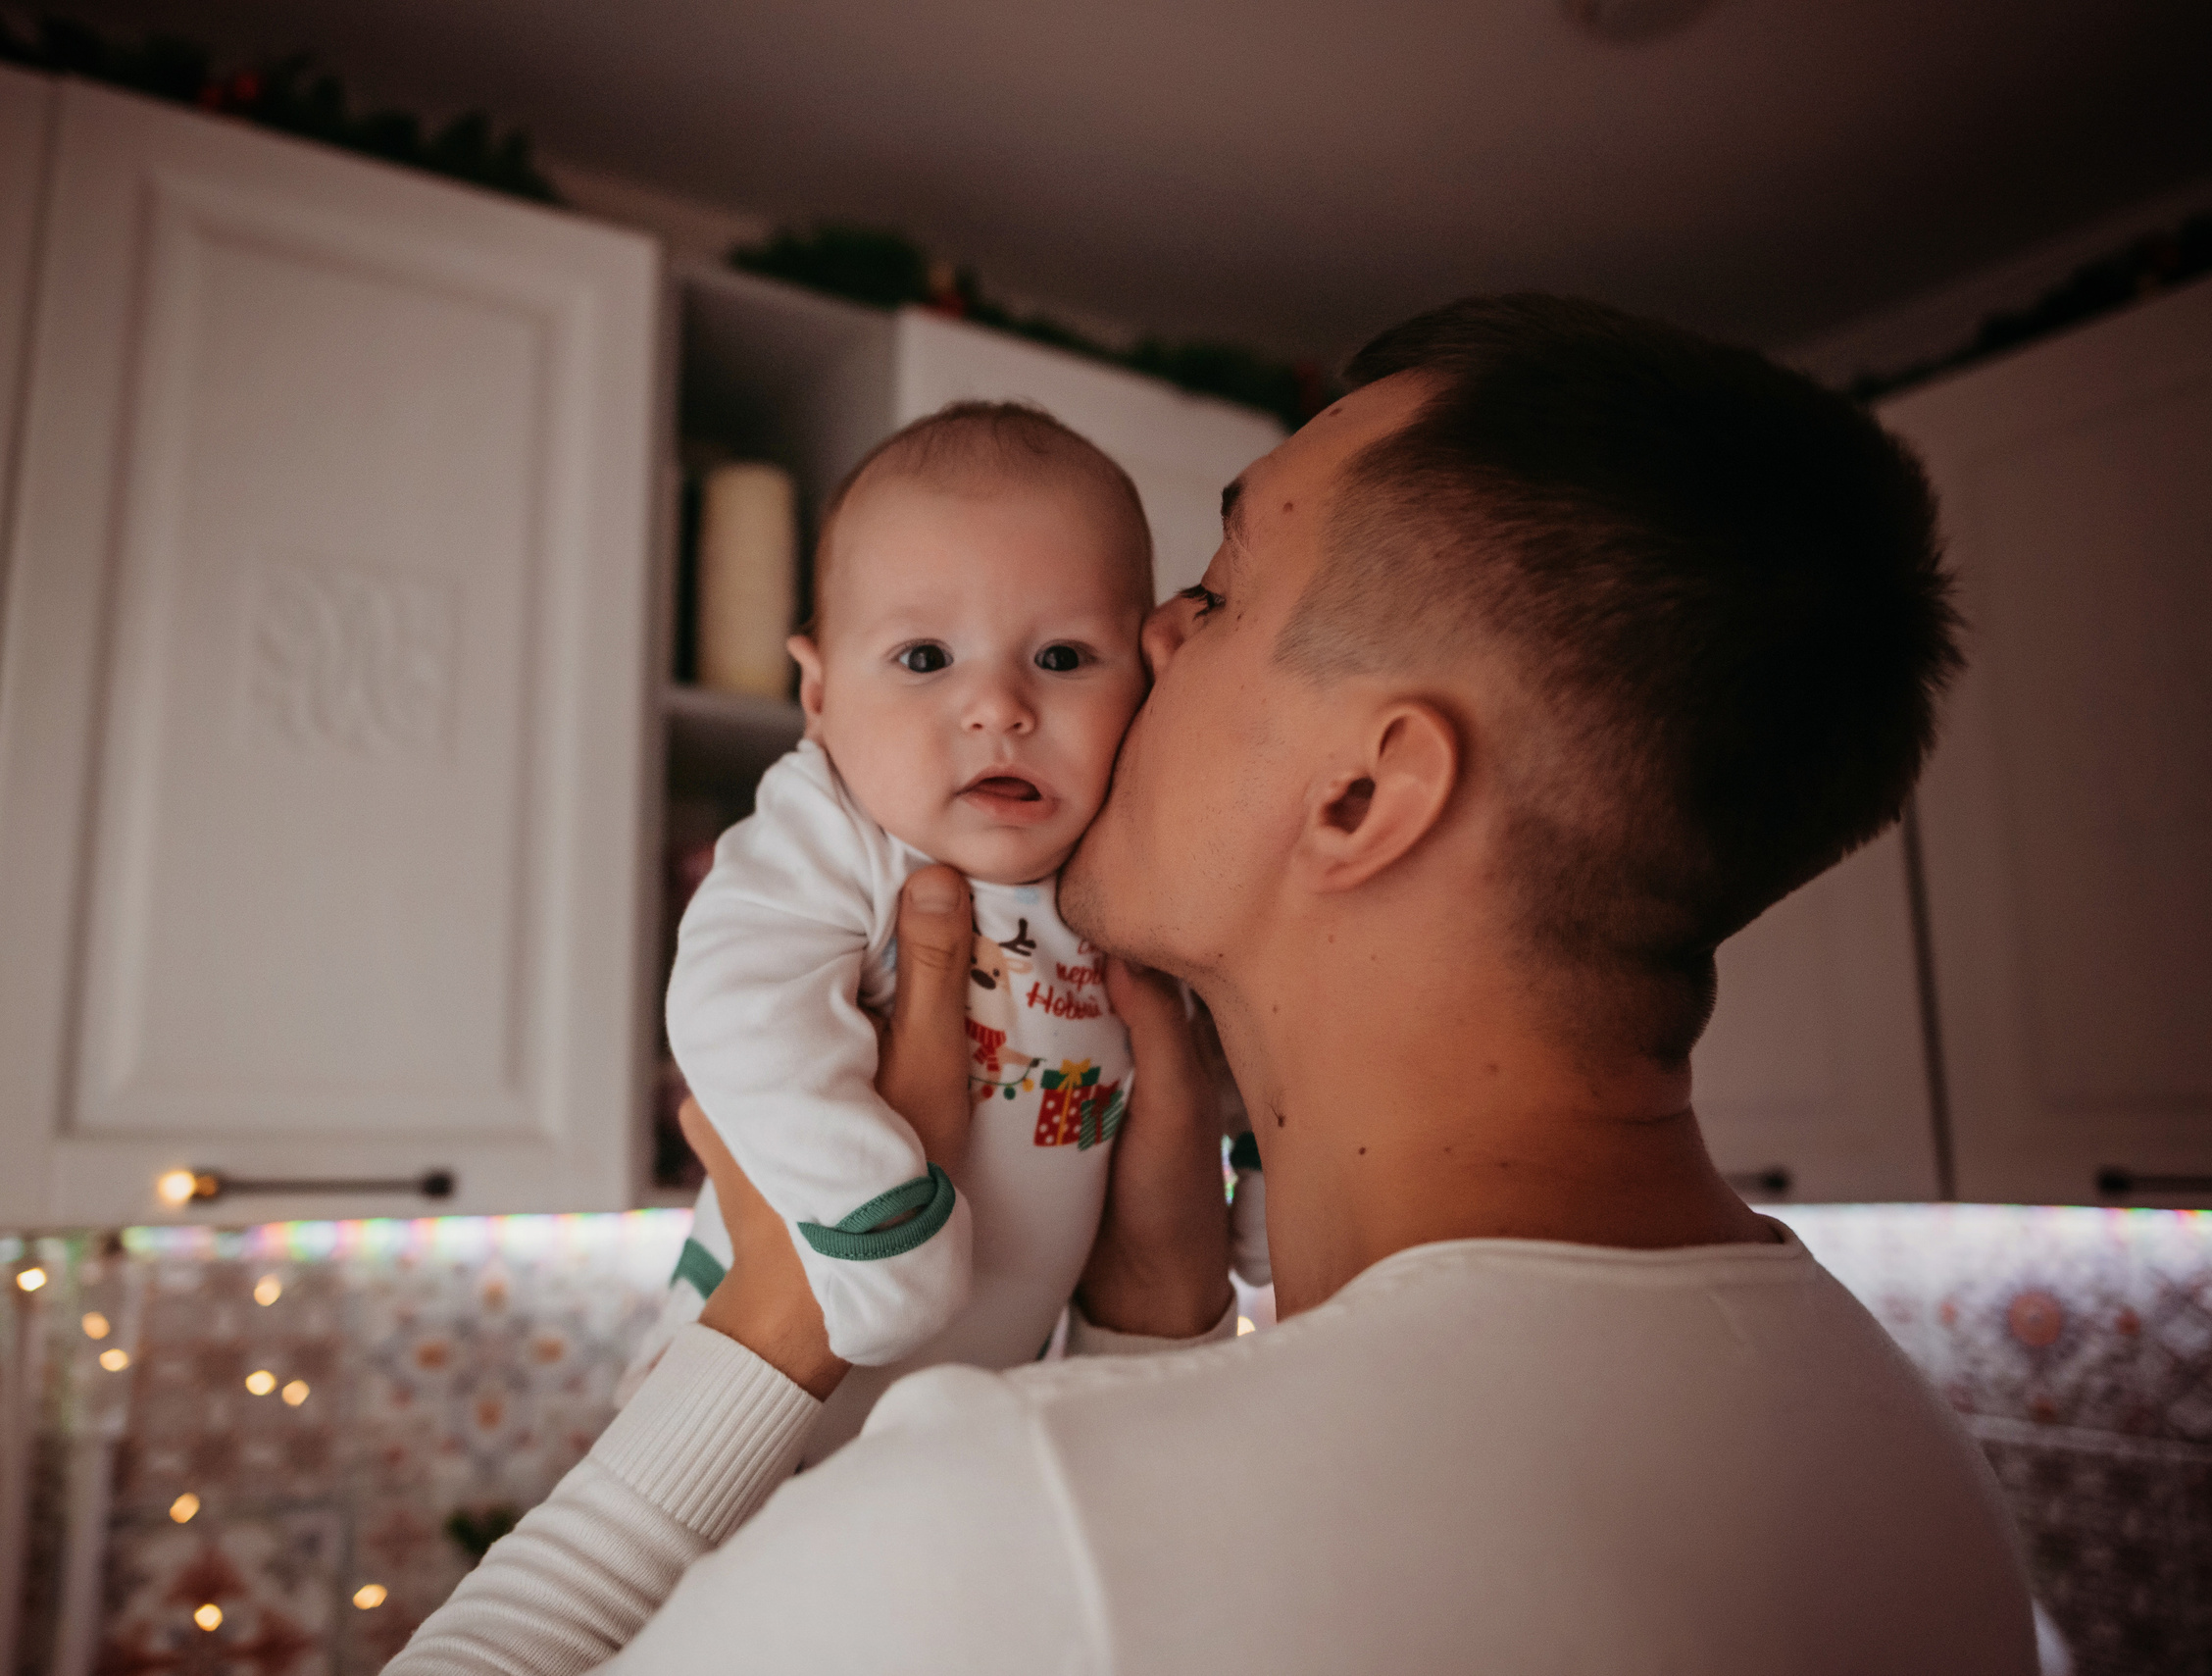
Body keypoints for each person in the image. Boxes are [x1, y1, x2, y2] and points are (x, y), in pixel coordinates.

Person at [388, 296, 2038, 1675]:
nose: (1152, 631)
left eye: (1221, 592)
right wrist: (1145, 1330)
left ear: (1361, 798)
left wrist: (772, 1318)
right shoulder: (1914, 1471)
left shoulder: (1015, 1528)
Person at [627, 401, 1238, 1462]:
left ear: (1143, 684)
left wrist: (1259, 1181)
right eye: (923, 658)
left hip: (965, 1422)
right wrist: (876, 1216)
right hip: (741, 1403)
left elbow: (1226, 1033)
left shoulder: (1123, 871)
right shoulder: (836, 833)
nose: (998, 705)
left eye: (1060, 655)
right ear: (816, 692)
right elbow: (735, 1005)